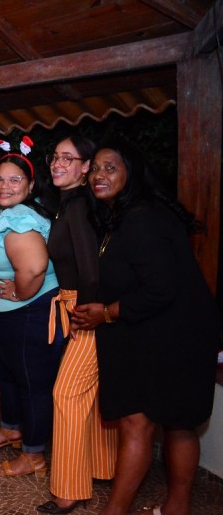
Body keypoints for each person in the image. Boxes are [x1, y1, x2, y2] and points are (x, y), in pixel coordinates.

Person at [72, 140, 219, 515]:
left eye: (111, 168)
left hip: (176, 337)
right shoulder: (128, 215)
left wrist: (106, 313)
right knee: (174, 423)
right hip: (164, 333)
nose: (99, 175)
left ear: (132, 173)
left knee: (143, 422)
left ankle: (119, 511)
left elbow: (160, 289)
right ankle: (175, 508)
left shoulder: (141, 219)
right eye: (95, 169)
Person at [38, 136, 117, 513]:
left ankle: (68, 490)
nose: (58, 164)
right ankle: (104, 467)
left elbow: (90, 270)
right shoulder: (69, 204)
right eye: (55, 157)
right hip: (80, 305)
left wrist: (84, 314)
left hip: (85, 310)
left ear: (85, 168)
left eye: (68, 159)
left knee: (66, 393)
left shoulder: (79, 206)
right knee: (90, 394)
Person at [0, 146, 62, 478]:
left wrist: (19, 292)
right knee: (10, 373)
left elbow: (33, 268)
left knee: (31, 382)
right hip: (13, 312)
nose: (5, 186)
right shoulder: (8, 212)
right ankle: (11, 429)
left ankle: (34, 456)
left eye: (15, 180)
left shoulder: (19, 218)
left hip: (32, 310)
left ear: (30, 185)